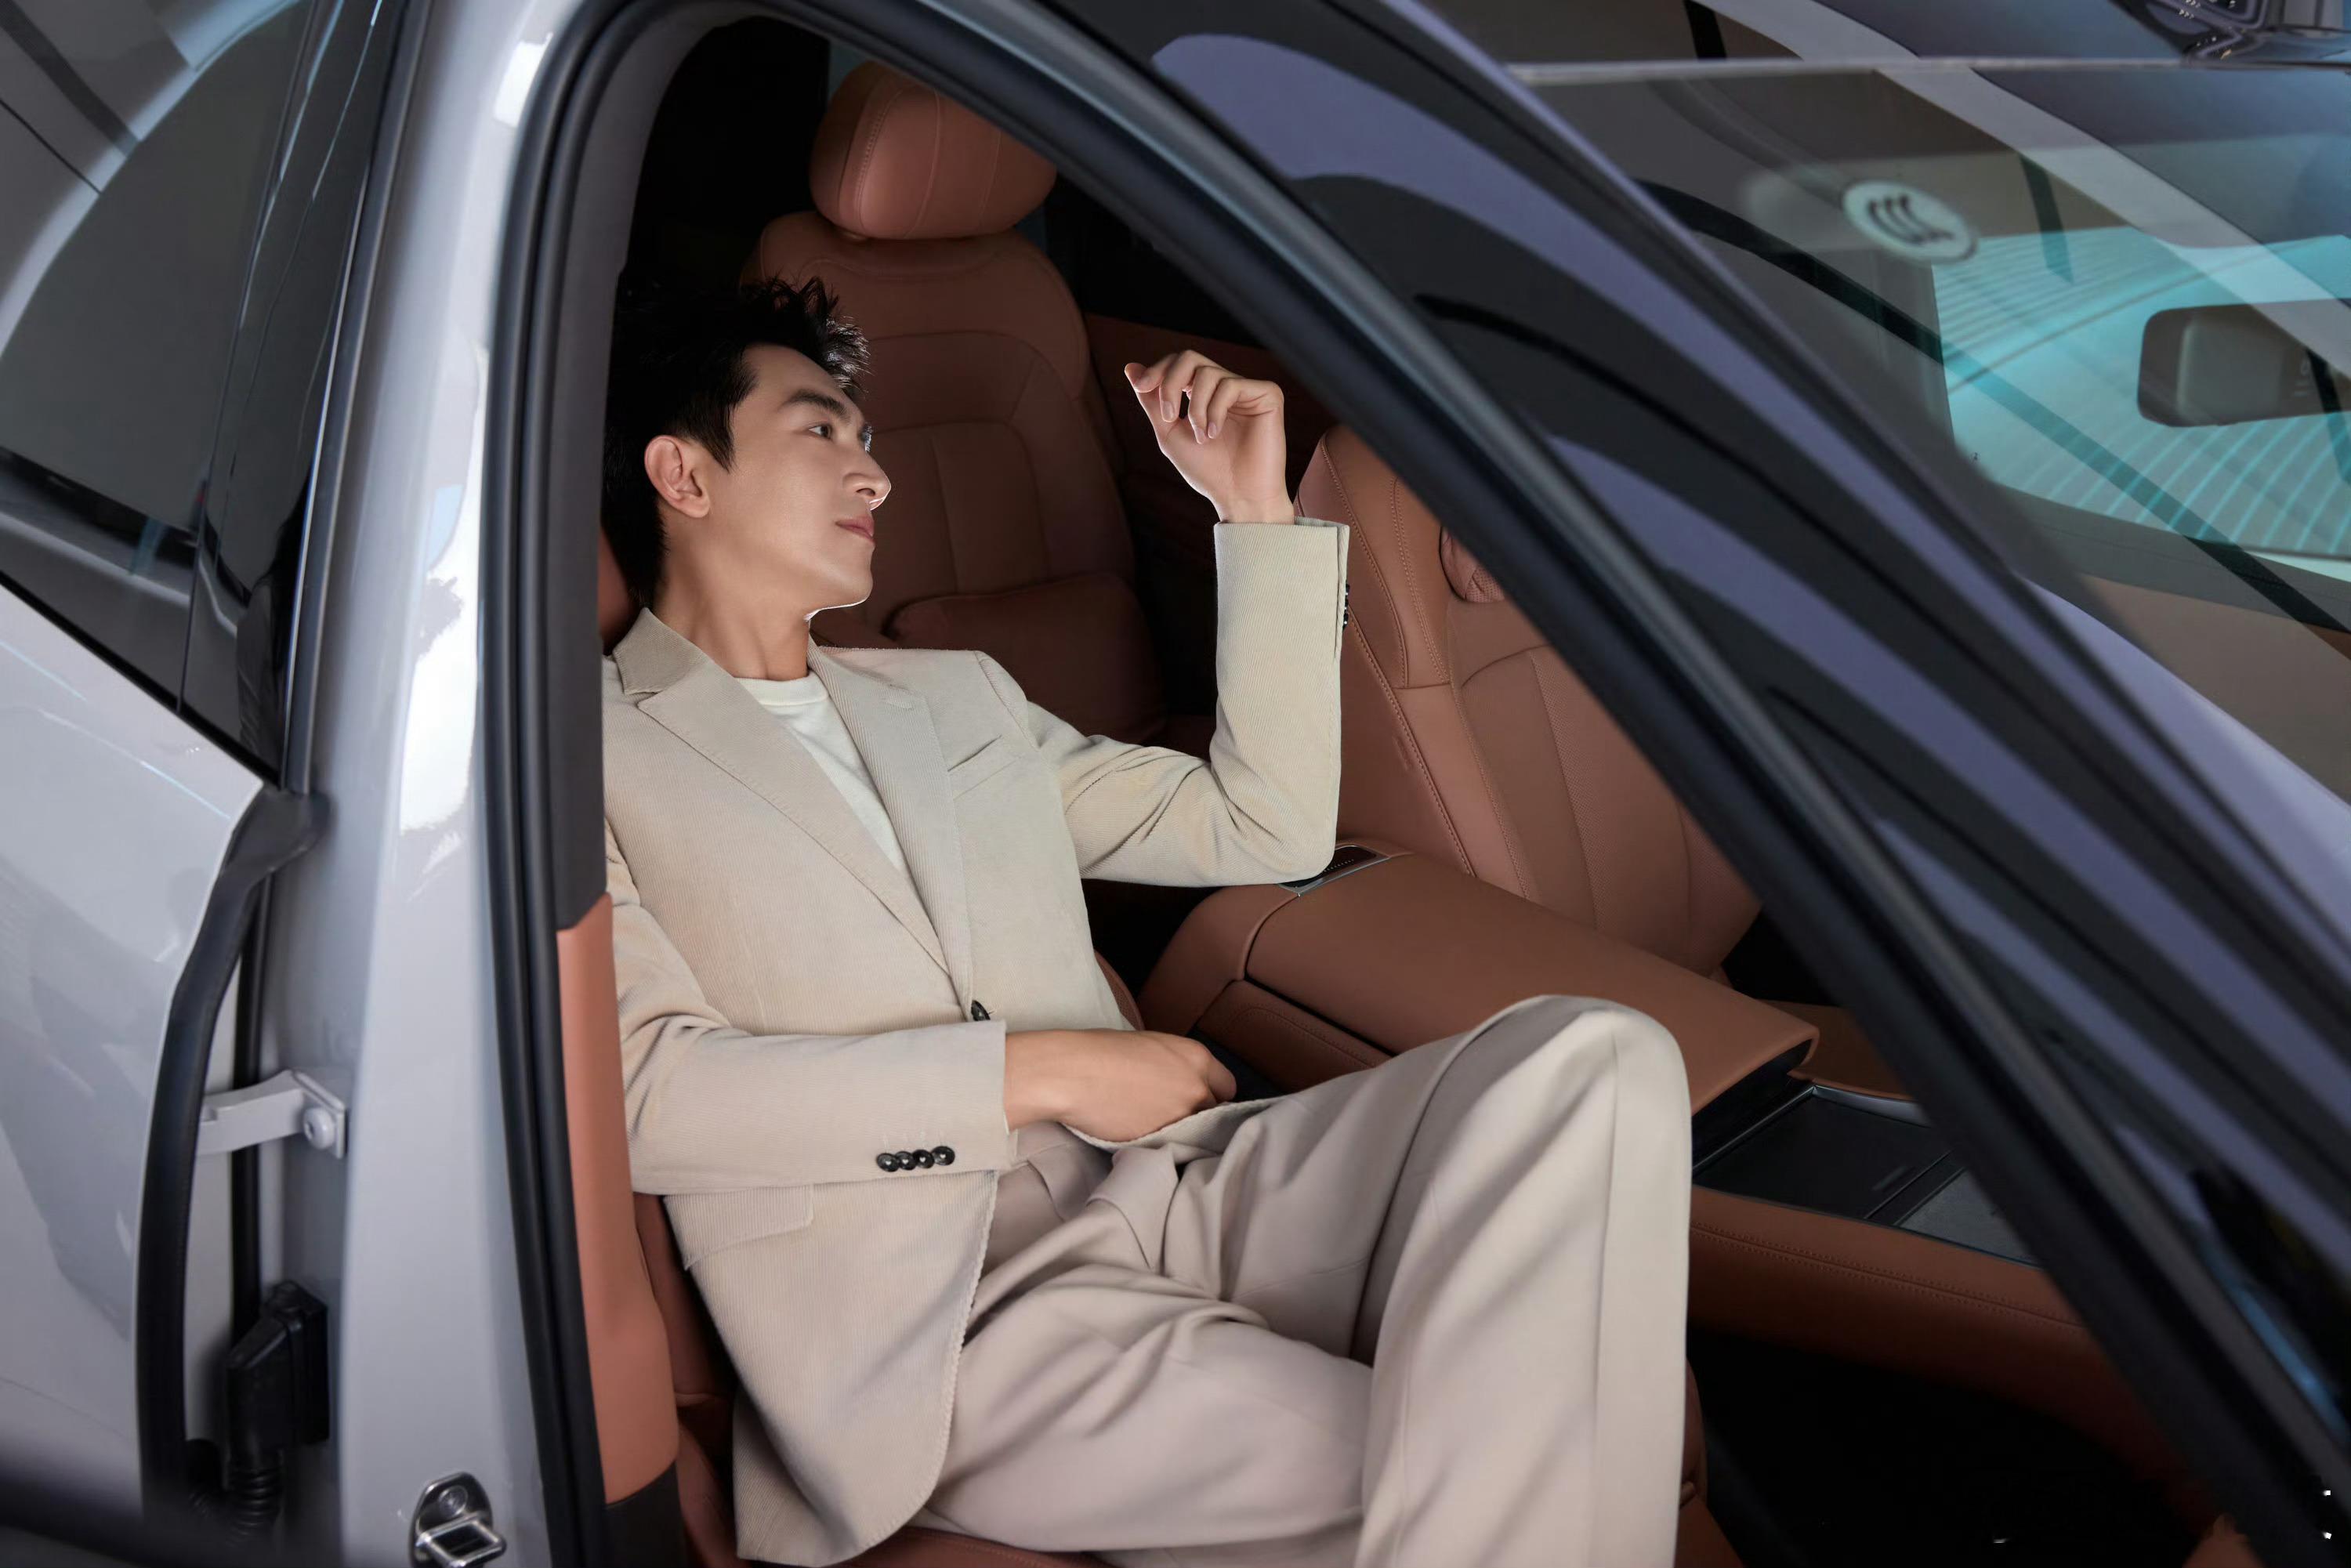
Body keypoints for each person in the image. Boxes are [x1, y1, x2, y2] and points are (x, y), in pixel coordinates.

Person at [600, 277, 1693, 1568]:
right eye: (820, 430)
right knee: (1444, 1459)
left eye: (869, 435)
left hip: (1178, 1184)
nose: (875, 472)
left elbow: (1267, 827)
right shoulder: (583, 760)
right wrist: (1045, 1071)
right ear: (684, 472)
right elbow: (650, 1093)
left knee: (1599, 1059)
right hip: (951, 1326)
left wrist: (1252, 511)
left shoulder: (955, 698)